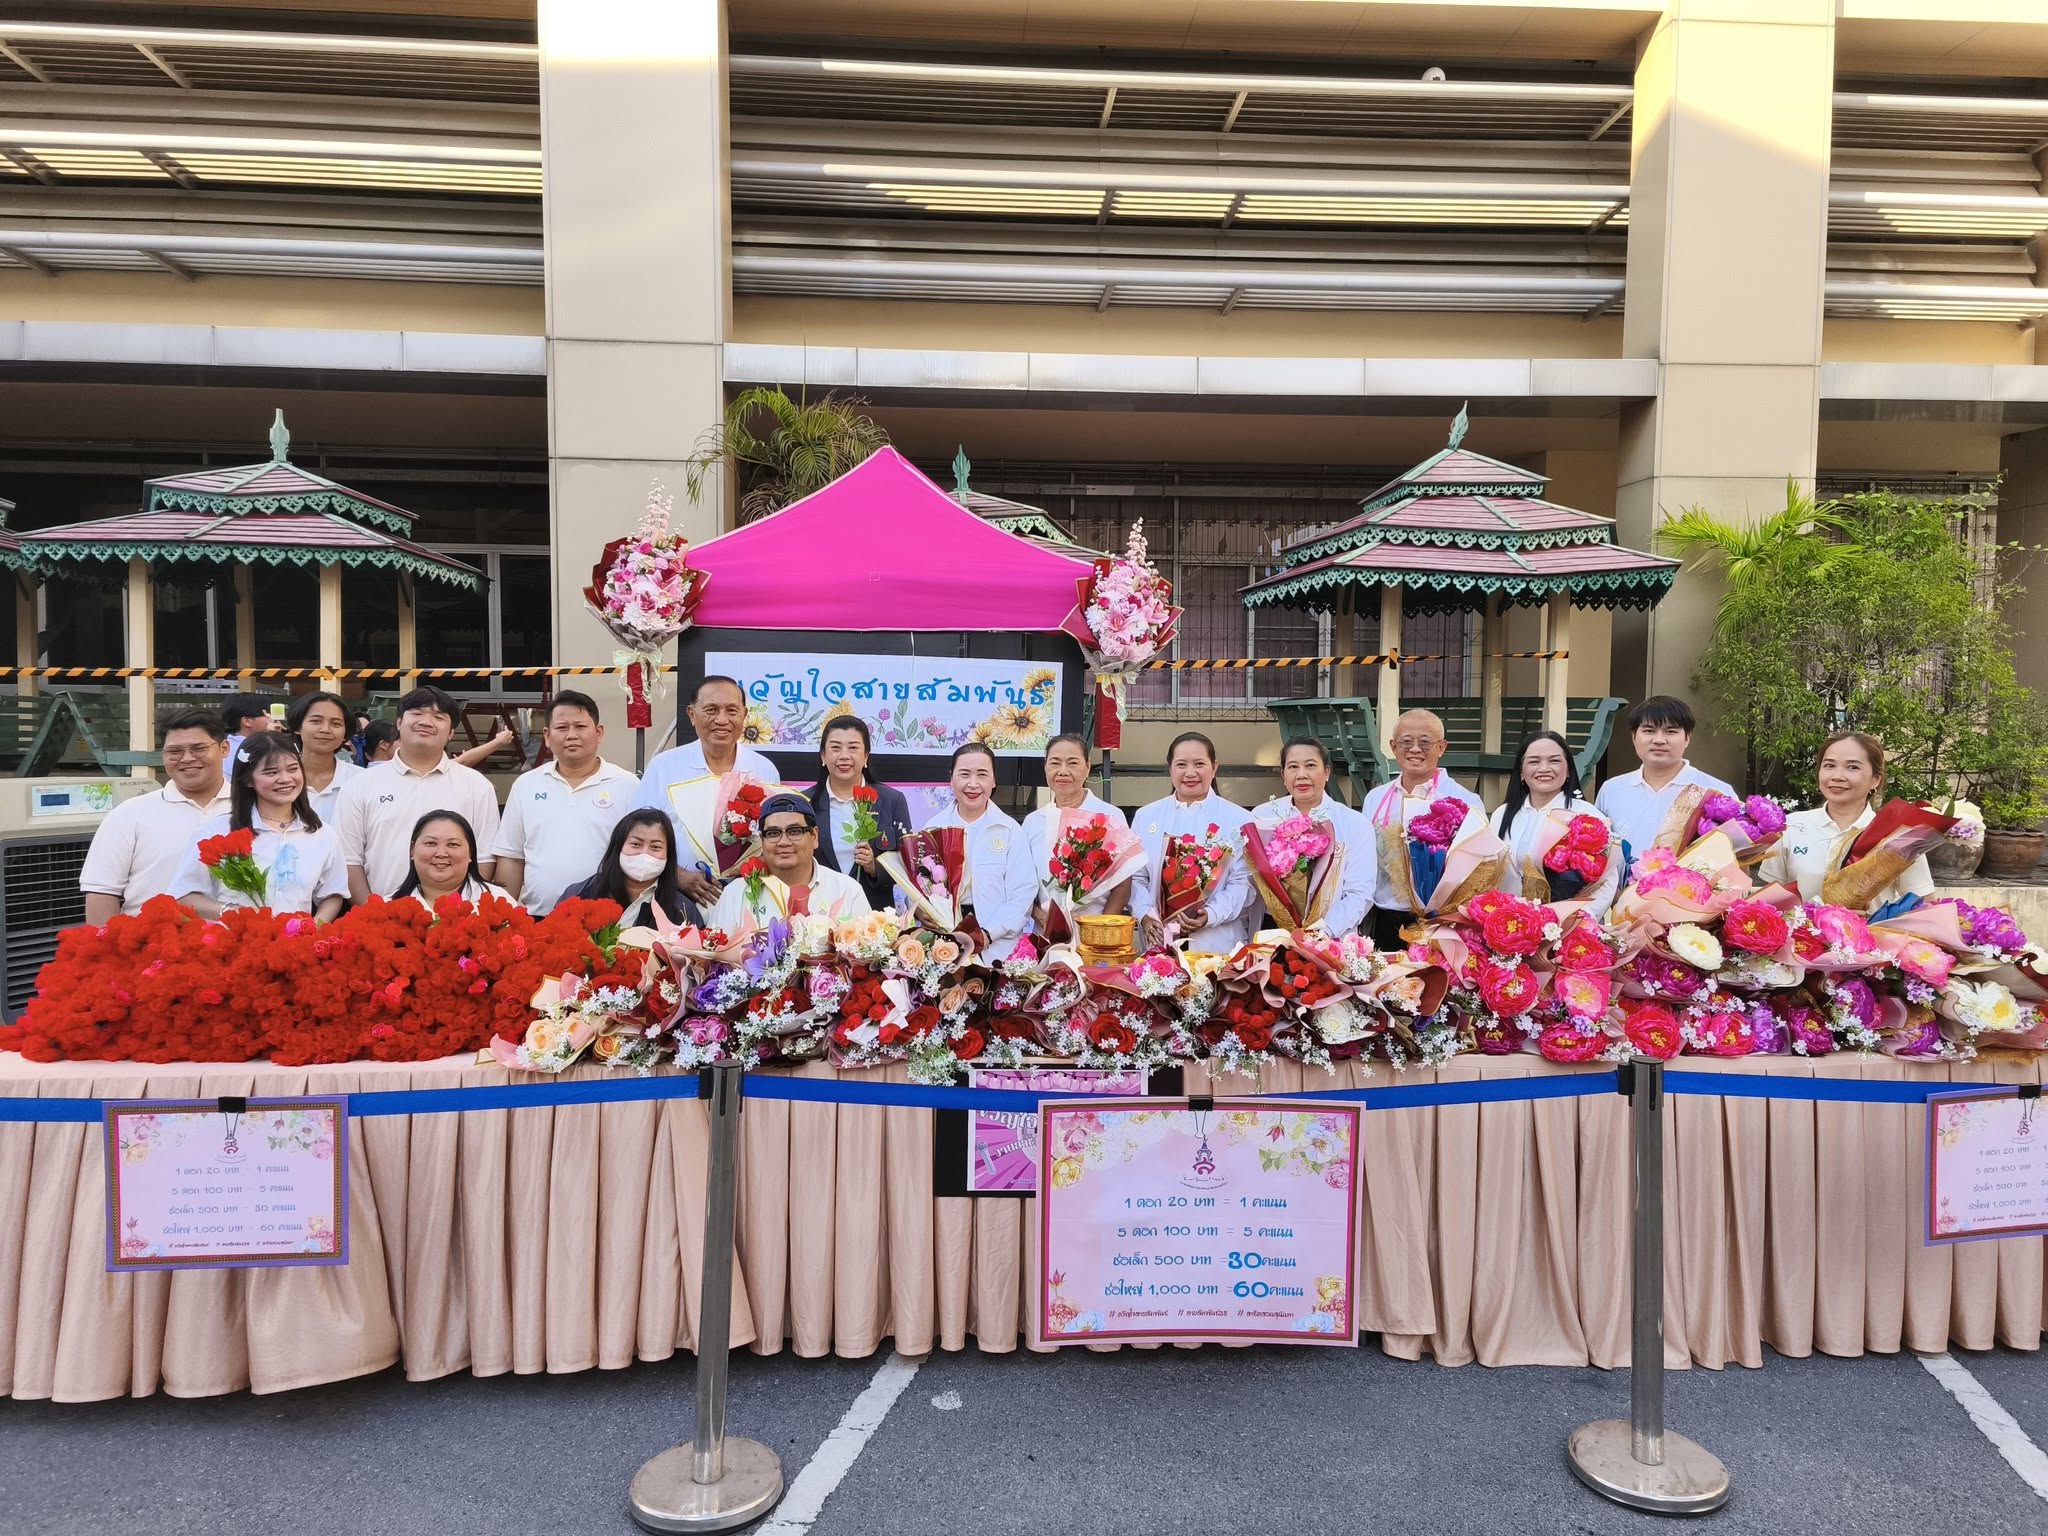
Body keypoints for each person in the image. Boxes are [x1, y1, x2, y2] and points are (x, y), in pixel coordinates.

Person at [334, 686, 502, 905]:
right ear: (399, 723)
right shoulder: (360, 785)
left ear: (451, 732)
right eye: (417, 713)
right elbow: (348, 859)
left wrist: (461, 910)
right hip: (383, 915)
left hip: (455, 916)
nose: (426, 722)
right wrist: (372, 913)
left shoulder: (476, 786)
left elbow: (484, 857)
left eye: (438, 717)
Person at [636, 675, 780, 908]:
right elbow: (637, 834)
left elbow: (774, 834)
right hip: (677, 899)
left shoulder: (764, 769)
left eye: (731, 711)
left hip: (748, 895)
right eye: (711, 710)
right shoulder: (664, 767)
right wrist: (677, 876)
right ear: (692, 714)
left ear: (744, 715)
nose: (721, 720)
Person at [79, 707, 233, 923]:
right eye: (175, 751)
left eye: (198, 748)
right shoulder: (129, 815)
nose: (187, 758)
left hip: (240, 940)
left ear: (224, 748)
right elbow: (101, 891)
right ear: (163, 756)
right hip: (151, 940)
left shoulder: (254, 810)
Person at [490, 691, 638, 914]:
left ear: (599, 732)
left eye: (580, 726)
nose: (571, 735)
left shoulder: (627, 785)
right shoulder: (526, 785)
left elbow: (637, 856)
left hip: (606, 921)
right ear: (547, 736)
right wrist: (503, 917)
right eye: (562, 728)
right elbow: (511, 857)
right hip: (538, 917)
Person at [174, 733, 347, 921]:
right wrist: (233, 912)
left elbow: (332, 894)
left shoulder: (322, 834)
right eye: (271, 772)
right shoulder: (217, 832)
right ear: (248, 780)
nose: (285, 779)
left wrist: (315, 927)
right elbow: (184, 895)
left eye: (292, 769)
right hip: (233, 936)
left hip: (297, 938)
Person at [1760, 730, 1936, 911]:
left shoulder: (1899, 836)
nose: (1837, 776)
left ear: (1876, 780)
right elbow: (1769, 902)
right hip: (1800, 929)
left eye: (1853, 767)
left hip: (1871, 930)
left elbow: (1924, 908)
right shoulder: (1791, 826)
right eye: (1829, 765)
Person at [1358, 708, 1484, 949]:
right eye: (1406, 741)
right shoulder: (1375, 798)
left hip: (1440, 921)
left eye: (1425, 742)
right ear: (1393, 747)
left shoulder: (1464, 800)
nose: (1415, 749)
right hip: (1384, 915)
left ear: (1442, 747)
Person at [1130, 732, 1256, 954]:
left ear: (1214, 768)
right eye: (1181, 764)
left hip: (1218, 944)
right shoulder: (1146, 816)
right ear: (1170, 769)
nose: (1190, 773)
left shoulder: (1239, 819)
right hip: (1159, 943)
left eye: (1199, 764)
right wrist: (1145, 915)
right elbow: (1136, 878)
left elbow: (1242, 884)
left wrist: (1211, 915)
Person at [1593, 696, 1735, 874]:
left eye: (1670, 731)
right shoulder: (1611, 789)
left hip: (1688, 890)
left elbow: (1733, 858)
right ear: (1634, 736)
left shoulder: (1717, 793)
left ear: (1687, 738)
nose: (1659, 740)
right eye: (1649, 730)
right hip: (1619, 891)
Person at [1487, 730, 1621, 918]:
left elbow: (1605, 883)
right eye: (1534, 761)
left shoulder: (1588, 816)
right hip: (1510, 923)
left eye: (1554, 761)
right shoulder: (1501, 815)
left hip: (1564, 926)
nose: (1544, 768)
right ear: (1521, 772)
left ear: (1568, 770)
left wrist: (1571, 922)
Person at [1249, 736, 1374, 937]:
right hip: (1273, 933)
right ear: (1283, 775)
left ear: (1327, 772)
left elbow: (1359, 894)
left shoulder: (1354, 823)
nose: (1301, 775)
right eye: (1293, 767)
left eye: (1310, 765)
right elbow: (1251, 883)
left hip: (1331, 935)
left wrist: (1323, 932)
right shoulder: (1261, 817)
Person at [923, 742, 1038, 953]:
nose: (973, 784)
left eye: (982, 775)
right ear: (951, 779)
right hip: (943, 943)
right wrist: (920, 911)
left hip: (997, 945)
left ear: (993, 781)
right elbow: (918, 885)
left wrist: (987, 934)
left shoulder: (1010, 830)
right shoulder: (932, 829)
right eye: (964, 774)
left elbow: (1023, 893)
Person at [708, 792, 870, 930]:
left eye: (794, 831)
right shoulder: (735, 894)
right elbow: (714, 951)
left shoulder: (847, 891)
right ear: (762, 840)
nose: (783, 842)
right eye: (773, 833)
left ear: (814, 836)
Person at [1022, 733, 1133, 923]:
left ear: (1087, 767)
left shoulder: (1110, 816)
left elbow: (1123, 883)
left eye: (1072, 763)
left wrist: (1100, 927)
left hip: (1095, 929)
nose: (1063, 771)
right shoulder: (1032, 822)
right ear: (1045, 767)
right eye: (1055, 763)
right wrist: (1042, 918)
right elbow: (1022, 881)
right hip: (1045, 933)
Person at [805, 714, 910, 911]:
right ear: (823, 756)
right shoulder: (805, 803)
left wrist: (874, 868)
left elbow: (907, 865)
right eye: (835, 748)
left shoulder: (892, 800)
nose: (844, 755)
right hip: (818, 914)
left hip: (874, 916)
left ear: (866, 756)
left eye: (853, 748)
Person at [557, 809, 704, 930]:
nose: (644, 854)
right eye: (636, 844)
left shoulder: (683, 910)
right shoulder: (579, 894)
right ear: (618, 847)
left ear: (668, 855)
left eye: (655, 847)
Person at [390, 810, 514, 908]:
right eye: (431, 843)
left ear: (470, 853)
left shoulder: (498, 901)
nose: (441, 853)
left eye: (453, 844)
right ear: (412, 850)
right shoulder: (389, 908)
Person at [286, 689, 362, 827]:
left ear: (345, 734)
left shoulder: (361, 780)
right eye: (316, 721)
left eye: (336, 724)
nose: (325, 729)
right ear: (298, 727)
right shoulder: (279, 779)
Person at [220, 693, 282, 781]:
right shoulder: (236, 750)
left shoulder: (231, 742)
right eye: (267, 715)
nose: (272, 719)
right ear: (247, 721)